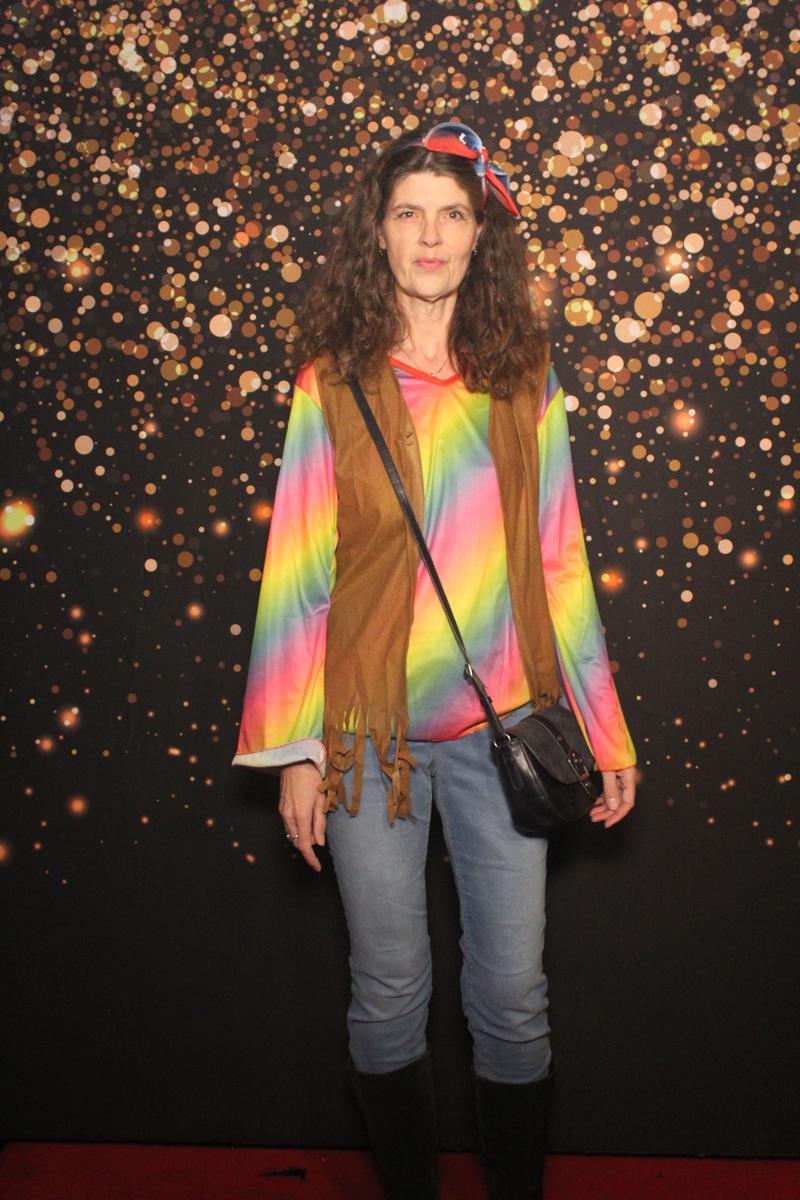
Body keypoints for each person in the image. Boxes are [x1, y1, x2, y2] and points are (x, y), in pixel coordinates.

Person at [233, 121, 637, 1200]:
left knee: (513, 998)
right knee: (388, 992)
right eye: (407, 212)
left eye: (450, 214)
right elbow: (298, 574)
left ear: (478, 236)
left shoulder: (525, 379)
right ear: (377, 232)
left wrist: (605, 732)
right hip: (369, 743)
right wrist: (296, 752)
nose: (428, 234)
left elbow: (560, 559)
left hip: (503, 735)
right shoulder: (330, 383)